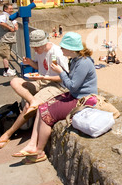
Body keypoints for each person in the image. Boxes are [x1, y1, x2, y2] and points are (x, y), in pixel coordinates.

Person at [12, 32, 97, 163]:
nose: (61, 48)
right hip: (75, 95)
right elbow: (72, 83)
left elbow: (72, 86)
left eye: (63, 47)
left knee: (47, 113)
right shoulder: (75, 60)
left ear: (71, 48)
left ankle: (39, 152)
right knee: (42, 107)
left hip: (83, 99)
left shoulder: (83, 63)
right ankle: (32, 144)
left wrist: (61, 72)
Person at [0, 29, 69, 149]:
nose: (35, 50)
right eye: (33, 47)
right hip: (42, 81)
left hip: (56, 85)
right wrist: (30, 63)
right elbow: (40, 66)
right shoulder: (40, 51)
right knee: (15, 81)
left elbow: (64, 77)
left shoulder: (57, 53)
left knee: (28, 107)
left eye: (36, 47)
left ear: (44, 43)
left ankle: (8, 134)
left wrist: (45, 77)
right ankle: (33, 101)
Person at [0, 4, 18, 77]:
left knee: (8, 54)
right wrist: (10, 28)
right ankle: (6, 70)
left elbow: (15, 22)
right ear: (5, 9)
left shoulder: (11, 16)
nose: (11, 10)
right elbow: (1, 23)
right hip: (4, 39)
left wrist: (15, 26)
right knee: (5, 55)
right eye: (10, 9)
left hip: (9, 39)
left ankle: (8, 69)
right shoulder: (3, 16)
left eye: (12, 8)